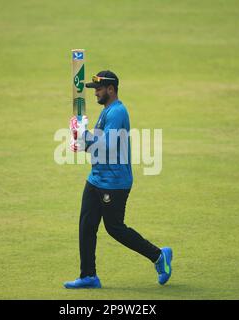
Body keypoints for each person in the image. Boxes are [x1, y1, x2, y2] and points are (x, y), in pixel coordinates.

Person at [64, 70, 172, 289]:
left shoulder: (117, 112)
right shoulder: (106, 111)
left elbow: (108, 146)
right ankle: (88, 276)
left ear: (111, 89)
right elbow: (97, 145)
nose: (95, 93)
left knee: (114, 228)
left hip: (114, 183)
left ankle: (159, 256)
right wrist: (80, 140)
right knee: (86, 225)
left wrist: (84, 136)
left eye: (99, 89)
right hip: (96, 179)